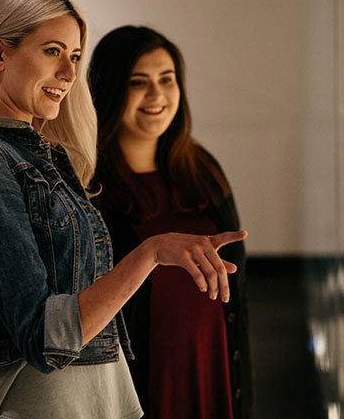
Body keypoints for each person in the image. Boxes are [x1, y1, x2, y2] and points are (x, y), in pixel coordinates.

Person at [0, 0, 246, 419]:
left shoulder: (38, 153)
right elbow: (43, 337)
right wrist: (151, 252)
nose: (70, 74)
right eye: (53, 51)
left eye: (74, 56)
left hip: (93, 396)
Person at [88, 26, 253, 419]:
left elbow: (239, 293)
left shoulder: (201, 167)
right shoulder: (88, 184)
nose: (156, 95)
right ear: (110, 90)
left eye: (167, 79)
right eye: (137, 83)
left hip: (214, 357)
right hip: (145, 373)